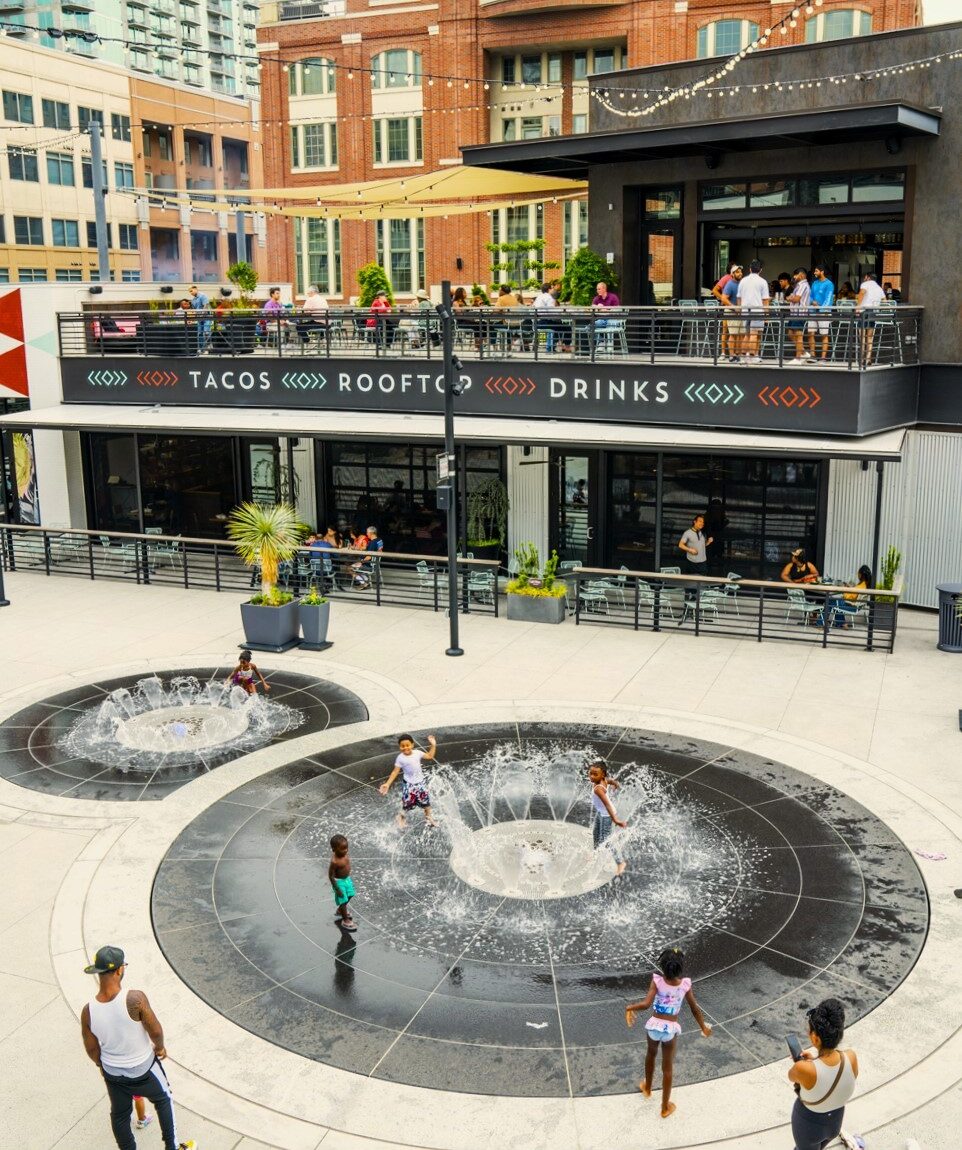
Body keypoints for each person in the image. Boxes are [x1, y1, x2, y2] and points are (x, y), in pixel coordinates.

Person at [80, 945, 197, 1150]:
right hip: (143, 1069)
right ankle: (172, 1147)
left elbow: (91, 1049)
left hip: (113, 1073)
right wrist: (159, 1048)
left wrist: (102, 1064)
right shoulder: (135, 999)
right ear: (119, 970)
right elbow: (156, 1031)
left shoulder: (88, 1011)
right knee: (164, 1099)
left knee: (120, 1115)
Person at [625, 947, 712, 1118]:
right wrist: (703, 1027)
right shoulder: (685, 985)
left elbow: (646, 1004)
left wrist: (630, 1007)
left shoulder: (657, 981)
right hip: (670, 1030)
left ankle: (648, 1088)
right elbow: (695, 1009)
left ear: (663, 967)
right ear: (680, 968)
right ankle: (664, 1107)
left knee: (650, 1055)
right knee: (667, 1069)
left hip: (654, 1027)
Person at [787, 998, 858, 1150]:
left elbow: (791, 1076)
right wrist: (815, 1061)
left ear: (815, 1038)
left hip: (808, 1127)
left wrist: (807, 1064)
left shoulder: (804, 1069)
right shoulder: (851, 1057)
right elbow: (834, 1077)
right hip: (835, 1123)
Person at [379, 733, 438, 828]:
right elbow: (395, 772)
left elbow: (430, 756)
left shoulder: (417, 753)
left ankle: (428, 818)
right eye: (402, 746)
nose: (405, 748)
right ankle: (400, 817)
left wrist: (433, 745)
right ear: (399, 747)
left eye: (407, 745)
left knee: (426, 802)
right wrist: (387, 784)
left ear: (412, 745)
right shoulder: (400, 758)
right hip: (409, 785)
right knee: (407, 804)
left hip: (420, 783)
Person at [587, 760, 627, 876]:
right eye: (590, 773)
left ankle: (620, 863)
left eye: (595, 774)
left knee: (606, 841)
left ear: (602, 774)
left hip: (607, 816)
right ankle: (595, 853)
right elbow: (609, 781)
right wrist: (615, 784)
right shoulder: (603, 780)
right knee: (595, 833)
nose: (592, 776)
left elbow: (607, 804)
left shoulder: (598, 789)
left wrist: (615, 820)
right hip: (601, 813)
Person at [737, 259, 770, 362]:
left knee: (746, 334)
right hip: (757, 310)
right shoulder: (763, 282)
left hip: (745, 310)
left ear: (750, 269)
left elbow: (739, 298)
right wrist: (766, 315)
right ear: (760, 270)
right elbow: (765, 300)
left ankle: (743, 357)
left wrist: (740, 310)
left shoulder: (743, 280)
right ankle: (752, 357)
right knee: (754, 334)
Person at [856, 272, 886, 363]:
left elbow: (862, 293)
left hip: (864, 311)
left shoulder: (865, 284)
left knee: (862, 336)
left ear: (867, 277)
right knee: (869, 337)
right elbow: (885, 301)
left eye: (865, 276)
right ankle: (868, 358)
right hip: (874, 312)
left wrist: (858, 307)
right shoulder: (878, 287)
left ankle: (861, 359)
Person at [329, 834, 357, 931]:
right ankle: (345, 920)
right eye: (342, 849)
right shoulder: (334, 861)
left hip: (346, 879)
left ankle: (340, 910)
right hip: (339, 882)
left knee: (351, 895)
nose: (345, 850)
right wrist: (337, 889)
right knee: (344, 901)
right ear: (334, 849)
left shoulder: (344, 854)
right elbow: (331, 876)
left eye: (346, 848)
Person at [809, 263, 835, 363]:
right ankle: (813, 356)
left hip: (824, 312)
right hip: (812, 311)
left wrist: (821, 308)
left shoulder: (829, 284)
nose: (814, 273)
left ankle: (823, 358)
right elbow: (810, 296)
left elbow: (829, 298)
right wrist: (812, 302)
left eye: (816, 271)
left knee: (824, 335)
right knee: (811, 333)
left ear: (822, 272)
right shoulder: (814, 283)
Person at [786, 266, 812, 363]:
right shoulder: (798, 285)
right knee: (790, 334)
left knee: (798, 335)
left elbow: (796, 298)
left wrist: (789, 298)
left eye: (796, 275)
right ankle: (804, 353)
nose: (794, 277)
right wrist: (791, 297)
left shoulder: (803, 285)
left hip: (799, 313)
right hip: (794, 313)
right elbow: (793, 296)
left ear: (801, 275)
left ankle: (798, 358)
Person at [720, 265, 744, 360]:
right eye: (737, 272)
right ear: (732, 274)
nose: (740, 273)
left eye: (741, 271)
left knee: (741, 334)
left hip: (741, 311)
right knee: (733, 334)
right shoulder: (730, 284)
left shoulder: (741, 283)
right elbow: (723, 299)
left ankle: (739, 355)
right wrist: (734, 307)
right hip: (732, 311)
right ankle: (731, 355)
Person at [351, 524, 383, 589]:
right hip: (375, 564)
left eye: (367, 532)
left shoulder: (372, 543)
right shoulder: (379, 540)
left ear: (371, 533)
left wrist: (361, 562)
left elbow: (369, 557)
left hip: (369, 565)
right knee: (356, 563)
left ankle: (363, 583)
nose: (366, 534)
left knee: (350, 568)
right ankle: (366, 580)